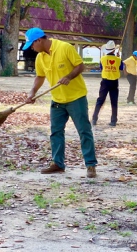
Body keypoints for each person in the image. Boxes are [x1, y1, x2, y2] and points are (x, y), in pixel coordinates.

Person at [23, 27, 98, 178]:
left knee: (84, 131)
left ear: (39, 40)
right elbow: (40, 77)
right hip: (57, 100)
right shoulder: (40, 58)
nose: (31, 48)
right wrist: (32, 92)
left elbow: (80, 66)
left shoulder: (64, 48)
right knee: (56, 132)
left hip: (76, 98)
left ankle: (90, 165)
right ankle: (58, 164)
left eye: (32, 44)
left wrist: (69, 77)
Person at [92, 40, 123, 126]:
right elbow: (121, 68)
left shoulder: (102, 59)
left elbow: (102, 68)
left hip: (105, 82)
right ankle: (113, 121)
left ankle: (94, 119)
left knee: (100, 100)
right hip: (114, 82)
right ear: (114, 50)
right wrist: (118, 57)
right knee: (114, 101)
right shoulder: (118, 60)